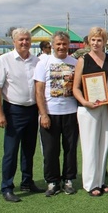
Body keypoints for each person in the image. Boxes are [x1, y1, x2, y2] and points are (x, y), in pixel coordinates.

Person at [0, 28, 43, 203]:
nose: (24, 42)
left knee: (29, 150)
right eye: (21, 40)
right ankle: (7, 187)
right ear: (14, 41)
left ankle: (27, 181)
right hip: (13, 110)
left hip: (32, 109)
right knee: (11, 151)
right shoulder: (3, 60)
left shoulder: (37, 61)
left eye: (27, 39)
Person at [34, 31, 79, 197]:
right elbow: (38, 91)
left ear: (69, 45)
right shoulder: (43, 63)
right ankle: (52, 182)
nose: (61, 47)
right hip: (50, 113)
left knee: (70, 149)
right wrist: (43, 114)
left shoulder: (75, 63)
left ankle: (68, 180)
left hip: (71, 112)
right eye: (58, 44)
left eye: (64, 44)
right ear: (52, 45)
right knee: (50, 150)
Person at [72, 27, 108, 197]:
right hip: (87, 109)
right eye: (93, 40)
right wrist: (84, 102)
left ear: (104, 42)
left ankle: (101, 180)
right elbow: (75, 88)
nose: (96, 43)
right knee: (89, 146)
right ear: (88, 41)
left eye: (99, 40)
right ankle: (90, 184)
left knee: (104, 145)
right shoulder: (83, 60)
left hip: (105, 107)